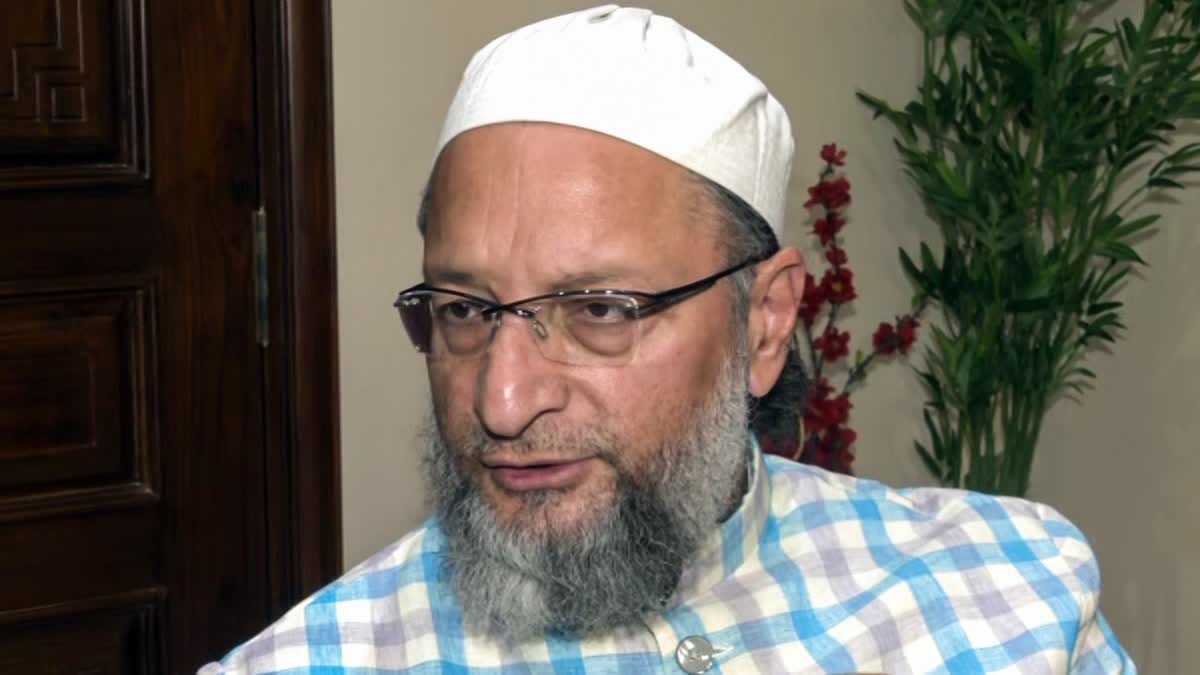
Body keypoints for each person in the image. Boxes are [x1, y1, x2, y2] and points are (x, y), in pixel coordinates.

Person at [201, 5, 1133, 674]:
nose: (502, 401)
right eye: (464, 310)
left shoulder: (1012, 592)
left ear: (765, 322)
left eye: (601, 309)